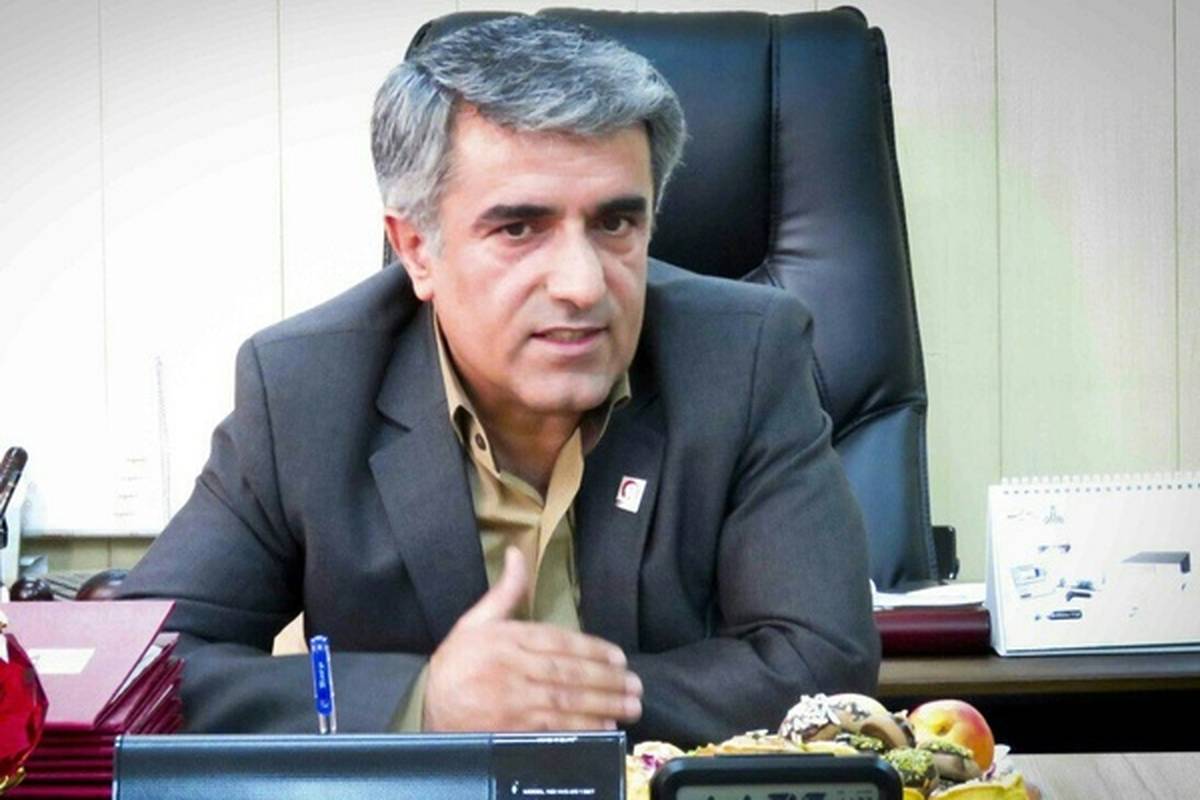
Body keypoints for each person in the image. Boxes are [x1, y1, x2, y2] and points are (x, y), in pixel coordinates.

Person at [118, 14, 879, 747]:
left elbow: (822, 660)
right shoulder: (306, 389)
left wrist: (552, 707)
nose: (583, 285)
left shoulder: (744, 356)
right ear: (417, 249)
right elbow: (136, 672)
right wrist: (423, 702)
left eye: (616, 224)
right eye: (519, 228)